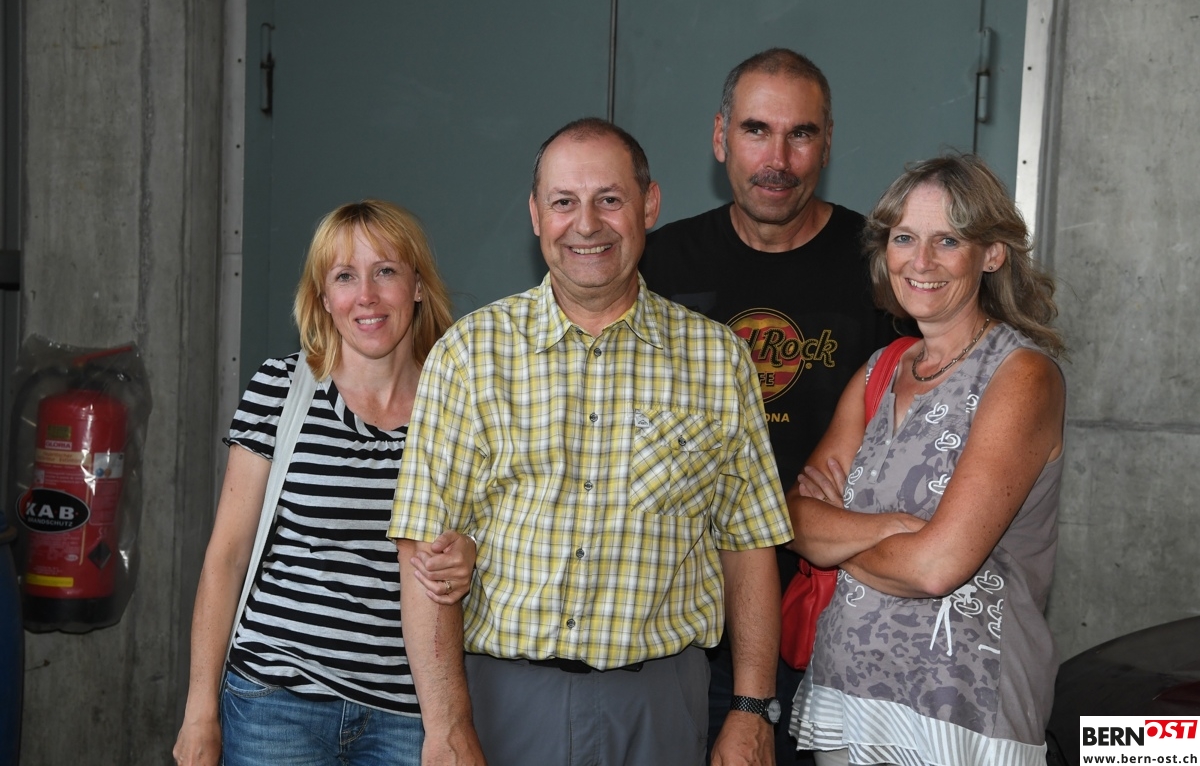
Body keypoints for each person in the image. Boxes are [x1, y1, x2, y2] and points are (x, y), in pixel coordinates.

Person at [388, 118, 794, 766]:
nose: (586, 224)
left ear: (649, 205)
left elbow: (748, 546)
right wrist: (446, 726)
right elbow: (423, 552)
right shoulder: (469, 354)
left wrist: (752, 708)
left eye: (609, 199)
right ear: (535, 215)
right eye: (563, 202)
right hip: (504, 704)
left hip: (662, 707)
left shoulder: (718, 359)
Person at [639, 47, 898, 760]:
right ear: (721, 136)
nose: (777, 159)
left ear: (828, 142)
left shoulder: (884, 270)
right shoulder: (659, 266)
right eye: (757, 130)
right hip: (687, 629)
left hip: (836, 623)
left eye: (800, 134)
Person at [786, 154, 1066, 766]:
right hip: (847, 694)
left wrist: (840, 538)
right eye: (904, 238)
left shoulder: (1021, 376)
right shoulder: (880, 371)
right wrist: (892, 529)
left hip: (960, 710)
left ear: (992, 254)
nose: (921, 261)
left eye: (948, 240)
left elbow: (937, 567)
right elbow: (794, 518)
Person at [173, 200, 475, 766]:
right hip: (274, 705)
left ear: (416, 286)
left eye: (385, 271)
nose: (366, 295)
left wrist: (472, 554)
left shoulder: (456, 406)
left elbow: (495, 533)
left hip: (407, 716)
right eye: (344, 276)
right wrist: (199, 712)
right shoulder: (280, 389)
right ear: (323, 297)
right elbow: (227, 557)